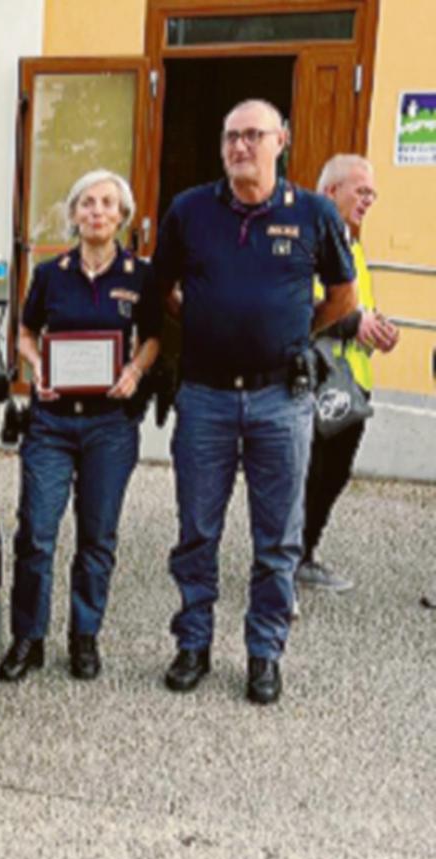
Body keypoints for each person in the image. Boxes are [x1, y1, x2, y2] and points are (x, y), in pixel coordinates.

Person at [153, 100, 358, 705]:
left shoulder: (314, 213)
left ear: (281, 141)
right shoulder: (190, 210)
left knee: (278, 538)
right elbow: (162, 289)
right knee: (197, 530)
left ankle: (264, 652)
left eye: (252, 135)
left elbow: (343, 296)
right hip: (205, 397)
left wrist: (294, 331)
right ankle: (193, 643)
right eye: (231, 137)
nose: (240, 146)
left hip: (280, 399)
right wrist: (207, 320)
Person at [0, 170, 161, 683]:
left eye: (108, 203)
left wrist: (135, 371)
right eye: (87, 202)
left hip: (109, 426)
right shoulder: (51, 274)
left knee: (97, 536)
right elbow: (26, 333)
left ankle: (84, 636)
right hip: (51, 424)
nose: (97, 211)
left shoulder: (139, 275)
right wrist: (37, 367)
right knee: (36, 534)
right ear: (73, 214)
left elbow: (154, 337)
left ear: (122, 216)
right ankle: (28, 638)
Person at [297, 154, 401, 593]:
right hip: (316, 382)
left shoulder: (352, 247)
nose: (369, 200)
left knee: (334, 475)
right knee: (308, 475)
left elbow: (361, 309)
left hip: (351, 386)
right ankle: (286, 561)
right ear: (330, 192)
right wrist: (352, 322)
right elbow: (303, 307)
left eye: (372, 193)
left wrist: (379, 330)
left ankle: (305, 554)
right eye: (362, 191)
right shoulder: (306, 242)